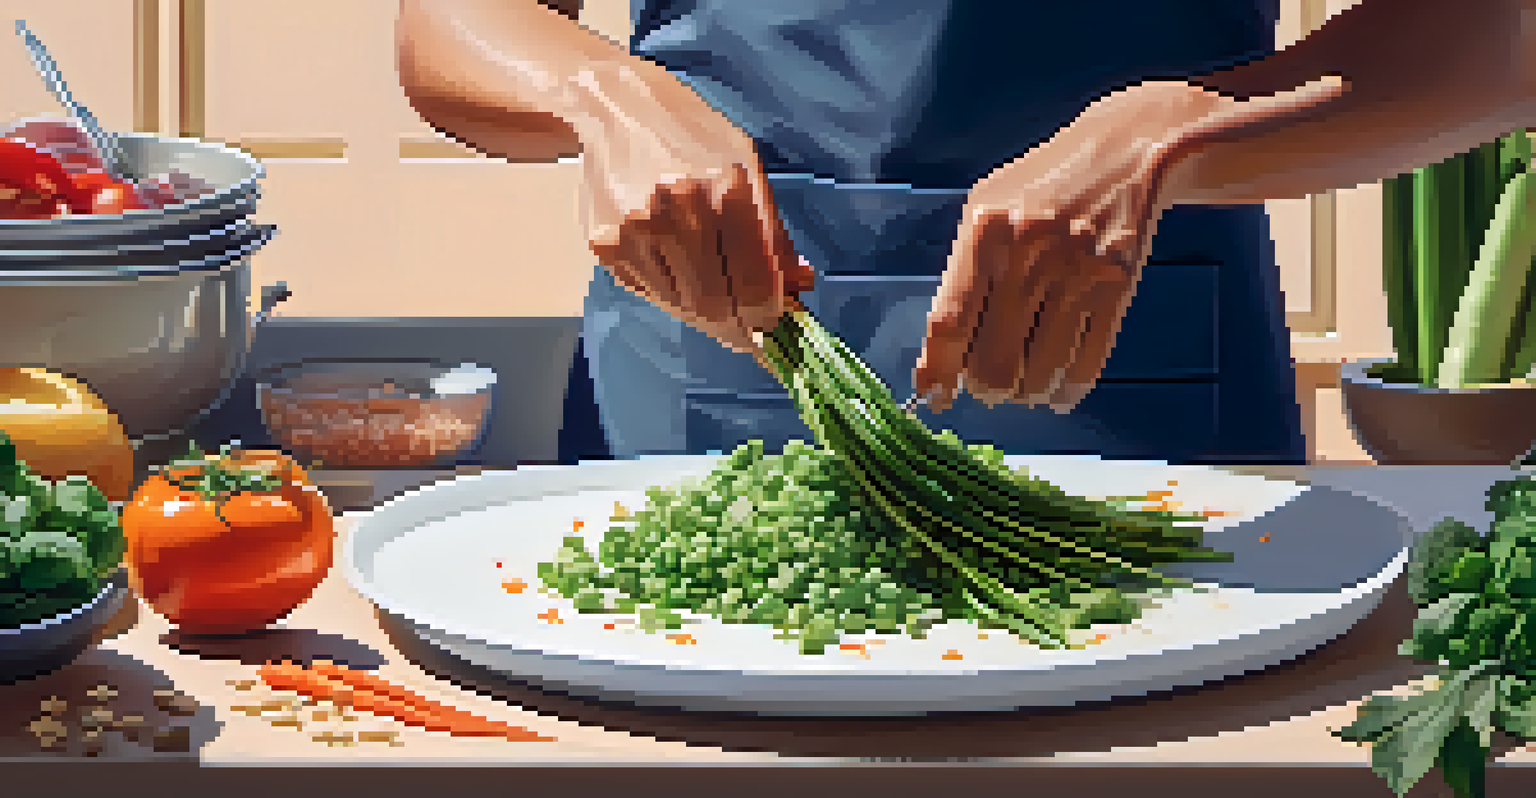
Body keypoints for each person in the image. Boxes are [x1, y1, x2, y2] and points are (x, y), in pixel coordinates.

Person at [396, 0, 1535, 464]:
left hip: (1144, 387)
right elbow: (447, 22)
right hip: (702, 372)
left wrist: (1173, 135)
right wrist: (607, 97)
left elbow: (1499, 39)